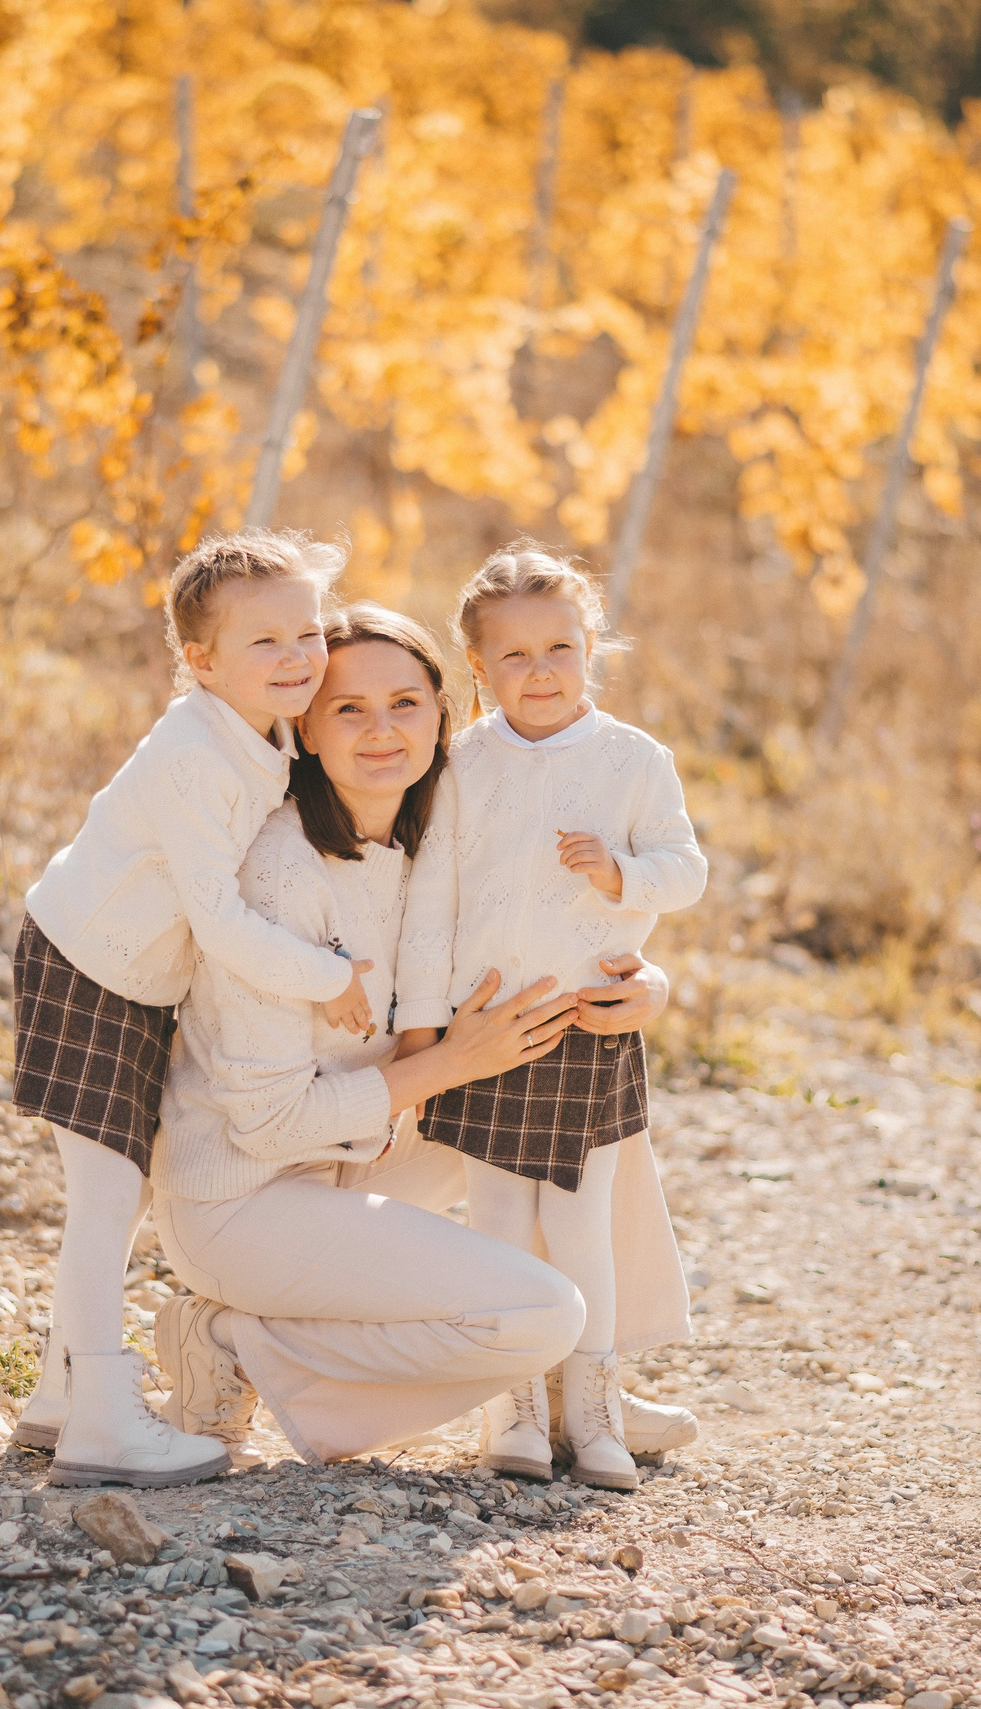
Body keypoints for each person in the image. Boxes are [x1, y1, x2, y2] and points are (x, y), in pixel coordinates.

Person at [146, 606, 597, 1463]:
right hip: (242, 1198)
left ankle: (599, 1379)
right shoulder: (283, 872)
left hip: (352, 1160)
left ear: (445, 716)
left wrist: (644, 982)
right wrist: (450, 1063)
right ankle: (241, 1340)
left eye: (406, 702)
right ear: (305, 730)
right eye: (349, 709)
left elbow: (574, 926)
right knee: (541, 1313)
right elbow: (264, 1124)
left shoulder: (431, 848)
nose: (383, 729)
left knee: (550, 1132)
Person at [9, 531, 379, 1489]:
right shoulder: (193, 755)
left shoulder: (270, 728)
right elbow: (217, 919)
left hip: (139, 978)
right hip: (87, 965)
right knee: (105, 1197)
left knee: (121, 1194)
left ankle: (57, 1395)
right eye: (266, 643)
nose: (298, 657)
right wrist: (326, 974)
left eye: (308, 632)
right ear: (200, 662)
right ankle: (99, 1420)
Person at [397, 544, 707, 1491]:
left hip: (583, 1020)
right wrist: (423, 1025)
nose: (541, 673)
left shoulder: (631, 760)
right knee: (499, 1220)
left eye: (561, 649)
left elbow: (685, 869)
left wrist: (621, 875)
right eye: (516, 657)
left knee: (580, 1225)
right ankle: (516, 1405)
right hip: (489, 1023)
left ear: (591, 650)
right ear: (479, 670)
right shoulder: (462, 764)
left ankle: (598, 1410)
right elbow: (430, 900)